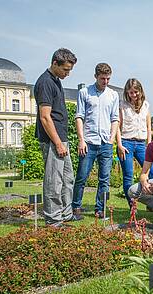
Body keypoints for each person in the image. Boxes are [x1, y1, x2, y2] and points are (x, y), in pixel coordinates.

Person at [34, 48, 79, 227]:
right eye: (65, 70)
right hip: (53, 140)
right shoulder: (45, 82)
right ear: (55, 63)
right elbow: (45, 117)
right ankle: (53, 219)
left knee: (67, 178)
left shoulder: (56, 81)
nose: (67, 74)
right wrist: (58, 142)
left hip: (61, 139)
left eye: (69, 70)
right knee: (54, 180)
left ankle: (66, 214)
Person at [72, 63, 119, 218]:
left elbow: (115, 119)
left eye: (108, 78)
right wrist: (81, 140)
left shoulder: (113, 95)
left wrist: (112, 138)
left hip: (106, 142)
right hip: (89, 142)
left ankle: (100, 209)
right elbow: (79, 116)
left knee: (104, 180)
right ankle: (76, 207)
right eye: (102, 78)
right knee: (81, 177)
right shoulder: (85, 93)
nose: (105, 81)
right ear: (95, 77)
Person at [116, 78, 153, 207]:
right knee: (128, 176)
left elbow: (148, 127)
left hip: (141, 144)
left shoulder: (145, 105)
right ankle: (132, 207)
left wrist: (149, 144)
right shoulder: (122, 105)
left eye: (136, 92)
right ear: (127, 93)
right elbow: (118, 125)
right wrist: (119, 145)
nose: (134, 95)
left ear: (140, 91)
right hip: (126, 143)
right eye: (130, 92)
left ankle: (152, 202)